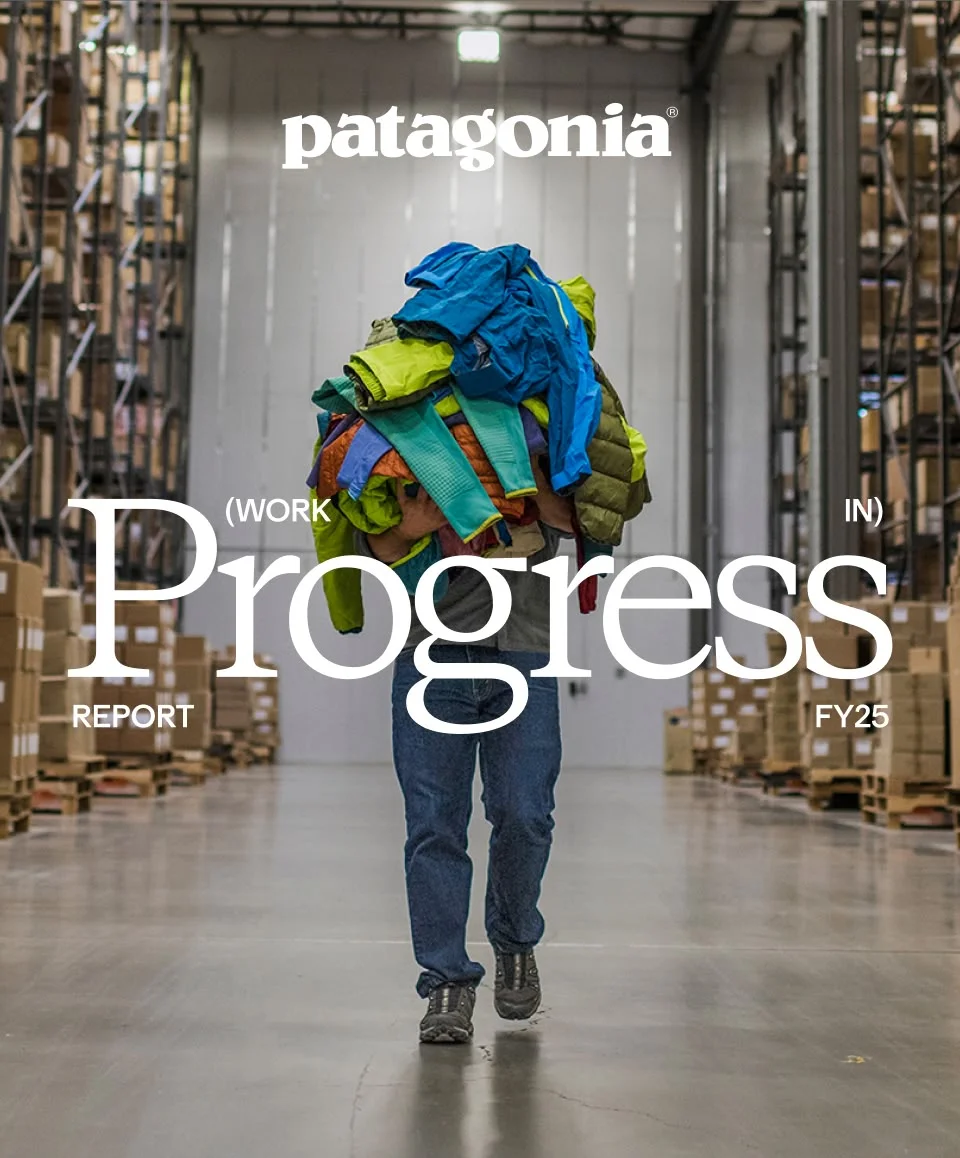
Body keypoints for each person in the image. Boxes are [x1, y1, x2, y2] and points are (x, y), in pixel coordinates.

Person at [364, 457, 575, 1044]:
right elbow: (371, 545)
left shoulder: (536, 431)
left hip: (525, 651)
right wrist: (411, 527)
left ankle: (513, 941)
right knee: (434, 824)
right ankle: (447, 981)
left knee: (525, 812)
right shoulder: (412, 437)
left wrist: (550, 500)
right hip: (431, 654)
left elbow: (592, 512)